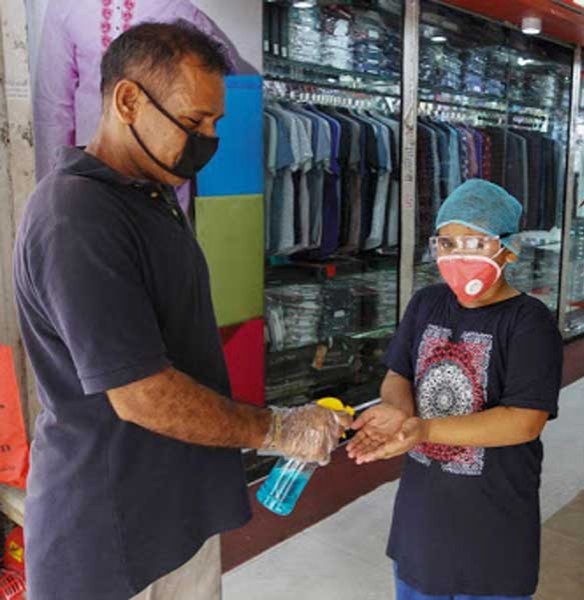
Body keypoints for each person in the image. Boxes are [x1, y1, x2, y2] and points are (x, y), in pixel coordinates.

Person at [14, 23, 348, 600]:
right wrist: (276, 428)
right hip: (109, 538)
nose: (208, 140)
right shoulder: (78, 217)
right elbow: (140, 391)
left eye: (216, 124)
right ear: (127, 100)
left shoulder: (150, 195)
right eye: (194, 123)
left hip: (174, 519)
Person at [347, 179, 564, 600]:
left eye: (475, 243)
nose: (459, 255)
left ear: (509, 248)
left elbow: (524, 422)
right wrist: (397, 412)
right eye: (447, 244)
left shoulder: (529, 322)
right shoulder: (427, 303)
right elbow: (399, 376)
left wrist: (423, 430)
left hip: (494, 526)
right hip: (421, 521)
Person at [32, 0, 254, 211]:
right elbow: (53, 106)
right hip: (94, 163)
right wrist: (53, 185)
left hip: (164, 165)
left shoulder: (178, 9)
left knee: (162, 238)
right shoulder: (65, 6)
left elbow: (224, 74)